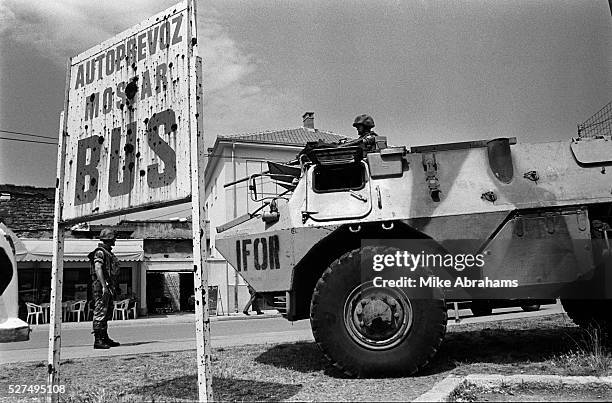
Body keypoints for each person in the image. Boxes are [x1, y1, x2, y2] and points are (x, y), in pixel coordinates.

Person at [88, 228, 121, 349]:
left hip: (108, 286)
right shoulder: (100, 252)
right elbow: (98, 268)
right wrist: (103, 286)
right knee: (100, 312)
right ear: (109, 239)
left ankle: (104, 337)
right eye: (113, 238)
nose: (115, 240)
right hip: (102, 287)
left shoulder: (108, 253)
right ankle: (98, 340)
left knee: (106, 312)